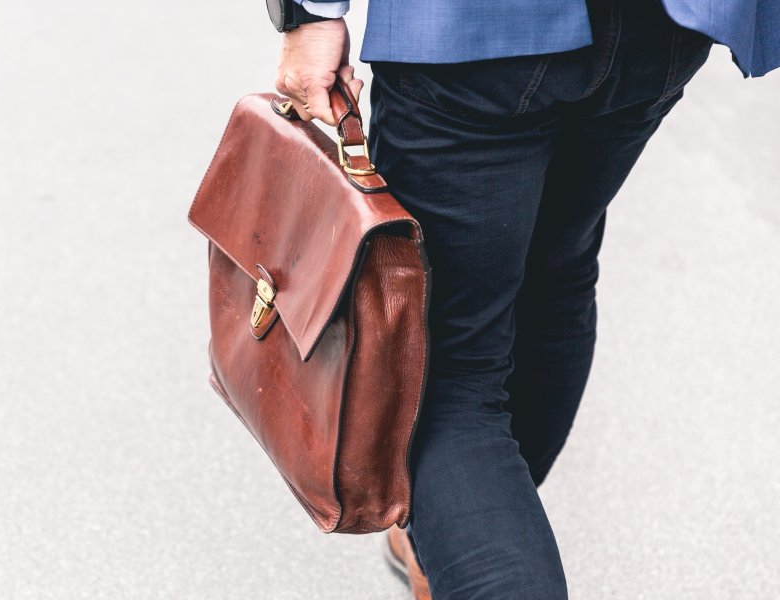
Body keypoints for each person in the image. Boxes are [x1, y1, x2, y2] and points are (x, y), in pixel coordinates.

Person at [270, 0, 777, 597]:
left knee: (443, 369)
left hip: (475, 31)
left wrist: (307, 11)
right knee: (555, 271)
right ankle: (472, 520)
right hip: (661, 30)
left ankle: (475, 528)